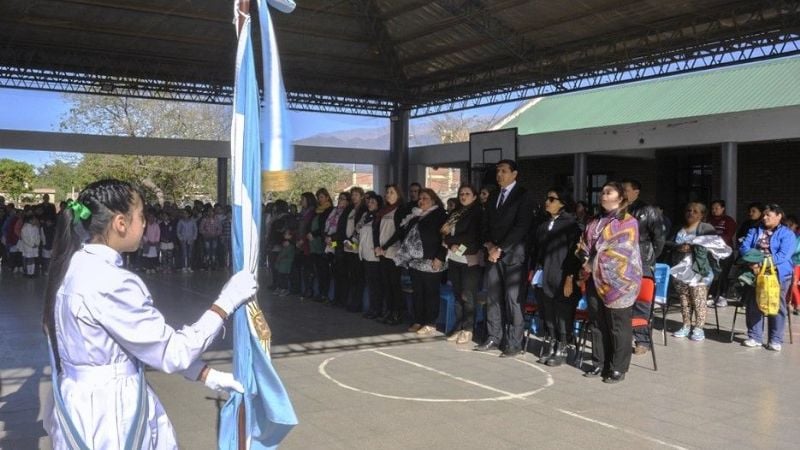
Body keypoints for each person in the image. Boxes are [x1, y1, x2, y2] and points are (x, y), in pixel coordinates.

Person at [42, 179, 257, 449]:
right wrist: (225, 302)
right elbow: (172, 352)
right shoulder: (111, 281)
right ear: (121, 223)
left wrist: (206, 375)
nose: (144, 223)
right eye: (141, 216)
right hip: (110, 413)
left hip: (79, 403)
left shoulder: (74, 265)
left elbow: (137, 344)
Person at [577, 181, 642, 383]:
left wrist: (592, 261)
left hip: (619, 281)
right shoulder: (595, 221)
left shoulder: (628, 221)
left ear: (621, 197)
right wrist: (585, 258)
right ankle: (599, 362)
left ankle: (618, 367)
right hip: (594, 279)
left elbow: (620, 251)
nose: (603, 195)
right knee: (597, 322)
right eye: (602, 192)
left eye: (608, 192)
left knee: (618, 325)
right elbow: (583, 244)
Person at [476, 160, 535, 357]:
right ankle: (494, 336)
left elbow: (522, 226)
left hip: (513, 255)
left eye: (503, 171)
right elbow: (484, 223)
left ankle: (514, 342)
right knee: (493, 297)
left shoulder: (523, 195)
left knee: (513, 300)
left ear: (514, 174)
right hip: (493, 254)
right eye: (497, 171)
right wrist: (490, 245)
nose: (499, 174)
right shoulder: (493, 195)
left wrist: (500, 248)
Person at [529, 187, 582, 366]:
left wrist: (569, 278)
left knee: (562, 313)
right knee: (548, 312)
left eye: (552, 199)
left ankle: (563, 346)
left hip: (562, 276)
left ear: (562, 204)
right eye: (547, 198)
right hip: (545, 275)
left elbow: (574, 255)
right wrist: (534, 270)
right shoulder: (543, 225)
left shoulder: (571, 226)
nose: (547, 202)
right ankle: (552, 342)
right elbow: (537, 251)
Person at [666, 202, 731, 342]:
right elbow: (668, 243)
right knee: (684, 299)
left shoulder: (706, 228)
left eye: (695, 211)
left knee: (698, 299)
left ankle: (699, 328)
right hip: (680, 269)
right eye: (688, 210)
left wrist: (693, 247)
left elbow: (714, 245)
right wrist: (678, 246)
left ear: (702, 214)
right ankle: (686, 325)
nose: (691, 213)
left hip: (699, 269)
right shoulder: (679, 227)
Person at [739, 204, 795, 351]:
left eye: (768, 215)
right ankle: (755, 337)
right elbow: (744, 247)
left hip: (777, 272)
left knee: (776, 305)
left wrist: (762, 263)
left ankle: (775, 339)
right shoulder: (754, 230)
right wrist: (753, 263)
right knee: (754, 304)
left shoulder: (787, 234)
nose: (764, 218)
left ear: (778, 216)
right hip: (755, 271)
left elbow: (783, 255)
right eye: (763, 215)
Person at [395, 188, 448, 335]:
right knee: (418, 292)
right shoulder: (416, 215)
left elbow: (446, 239)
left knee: (431, 292)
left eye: (425, 198)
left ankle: (430, 322)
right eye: (420, 198)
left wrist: (440, 257)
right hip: (415, 261)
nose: (421, 201)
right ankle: (419, 319)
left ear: (434, 200)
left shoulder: (440, 215)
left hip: (432, 260)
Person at [622, 179, 665, 356]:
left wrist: (649, 256)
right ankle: (623, 336)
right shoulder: (619, 210)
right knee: (624, 300)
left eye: (626, 190)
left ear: (636, 191)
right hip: (621, 260)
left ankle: (642, 340)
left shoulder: (648, 211)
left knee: (641, 302)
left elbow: (659, 238)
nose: (623, 193)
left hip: (642, 260)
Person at [441, 185, 483, 344]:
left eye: (467, 194)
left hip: (469, 257)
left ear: (474, 196)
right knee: (457, 294)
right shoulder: (455, 213)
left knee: (468, 295)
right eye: (461, 194)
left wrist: (452, 242)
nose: (463, 196)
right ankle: (458, 326)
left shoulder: (477, 212)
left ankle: (468, 328)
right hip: (454, 257)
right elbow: (444, 232)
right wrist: (450, 244)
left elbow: (471, 235)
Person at [374, 185, 405, 325]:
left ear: (398, 194)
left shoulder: (400, 209)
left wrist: (385, 246)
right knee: (385, 283)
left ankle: (397, 312)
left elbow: (399, 232)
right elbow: (376, 229)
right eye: (387, 192)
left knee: (394, 283)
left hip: (393, 251)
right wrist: (377, 246)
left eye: (392, 192)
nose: (388, 194)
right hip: (381, 251)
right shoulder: (382, 211)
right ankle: (389, 310)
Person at [707, 199, 737, 306]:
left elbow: (728, 234)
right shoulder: (709, 220)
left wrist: (716, 242)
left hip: (725, 251)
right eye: (713, 208)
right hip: (711, 252)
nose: (714, 210)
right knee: (712, 274)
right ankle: (711, 294)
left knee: (723, 274)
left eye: (717, 208)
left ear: (723, 208)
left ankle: (722, 296)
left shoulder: (728, 220)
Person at [358, 193, 384, 319]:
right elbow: (359, 231)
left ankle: (377, 309)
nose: (369, 204)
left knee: (376, 284)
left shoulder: (379, 217)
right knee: (370, 283)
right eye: (369, 202)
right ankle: (372, 308)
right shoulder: (366, 216)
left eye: (373, 202)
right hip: (365, 254)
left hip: (375, 255)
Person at [309, 189, 334, 302]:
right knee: (318, 270)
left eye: (322, 197)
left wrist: (314, 234)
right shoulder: (316, 210)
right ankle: (320, 292)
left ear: (327, 197)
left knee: (324, 270)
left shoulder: (329, 210)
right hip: (313, 243)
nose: (320, 199)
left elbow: (325, 226)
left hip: (322, 242)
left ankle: (325, 293)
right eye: (319, 197)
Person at [294, 192, 317, 298]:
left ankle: (309, 289)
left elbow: (308, 228)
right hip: (300, 244)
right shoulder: (302, 213)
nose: (301, 201)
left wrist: (302, 240)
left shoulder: (312, 213)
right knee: (303, 268)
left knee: (308, 268)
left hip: (307, 244)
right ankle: (304, 288)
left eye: (303, 199)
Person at [177, 207, 197, 273]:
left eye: (186, 213)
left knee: (190, 254)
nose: (184, 214)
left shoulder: (193, 221)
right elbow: (178, 231)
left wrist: (194, 238)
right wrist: (180, 238)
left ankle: (189, 267)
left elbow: (195, 230)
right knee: (184, 253)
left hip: (191, 240)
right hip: (183, 240)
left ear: (189, 214)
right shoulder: (180, 221)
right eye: (183, 213)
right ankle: (183, 267)